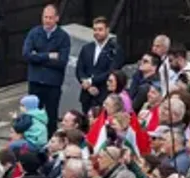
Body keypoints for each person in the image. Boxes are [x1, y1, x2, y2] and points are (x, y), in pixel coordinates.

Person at [21, 5, 70, 135]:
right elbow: (26, 55)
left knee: (51, 117)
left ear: (57, 18)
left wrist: (37, 56)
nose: (47, 20)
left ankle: (51, 141)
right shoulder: (34, 33)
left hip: (52, 83)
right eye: (45, 17)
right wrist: (48, 55)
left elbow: (61, 62)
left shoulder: (63, 37)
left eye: (50, 18)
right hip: (35, 81)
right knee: (33, 115)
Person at [75, 17, 122, 115]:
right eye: (95, 29)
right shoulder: (87, 48)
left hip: (103, 94)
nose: (97, 32)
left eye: (100, 29)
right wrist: (88, 85)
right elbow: (79, 69)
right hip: (86, 94)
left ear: (107, 30)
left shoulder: (115, 50)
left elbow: (111, 71)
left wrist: (91, 81)